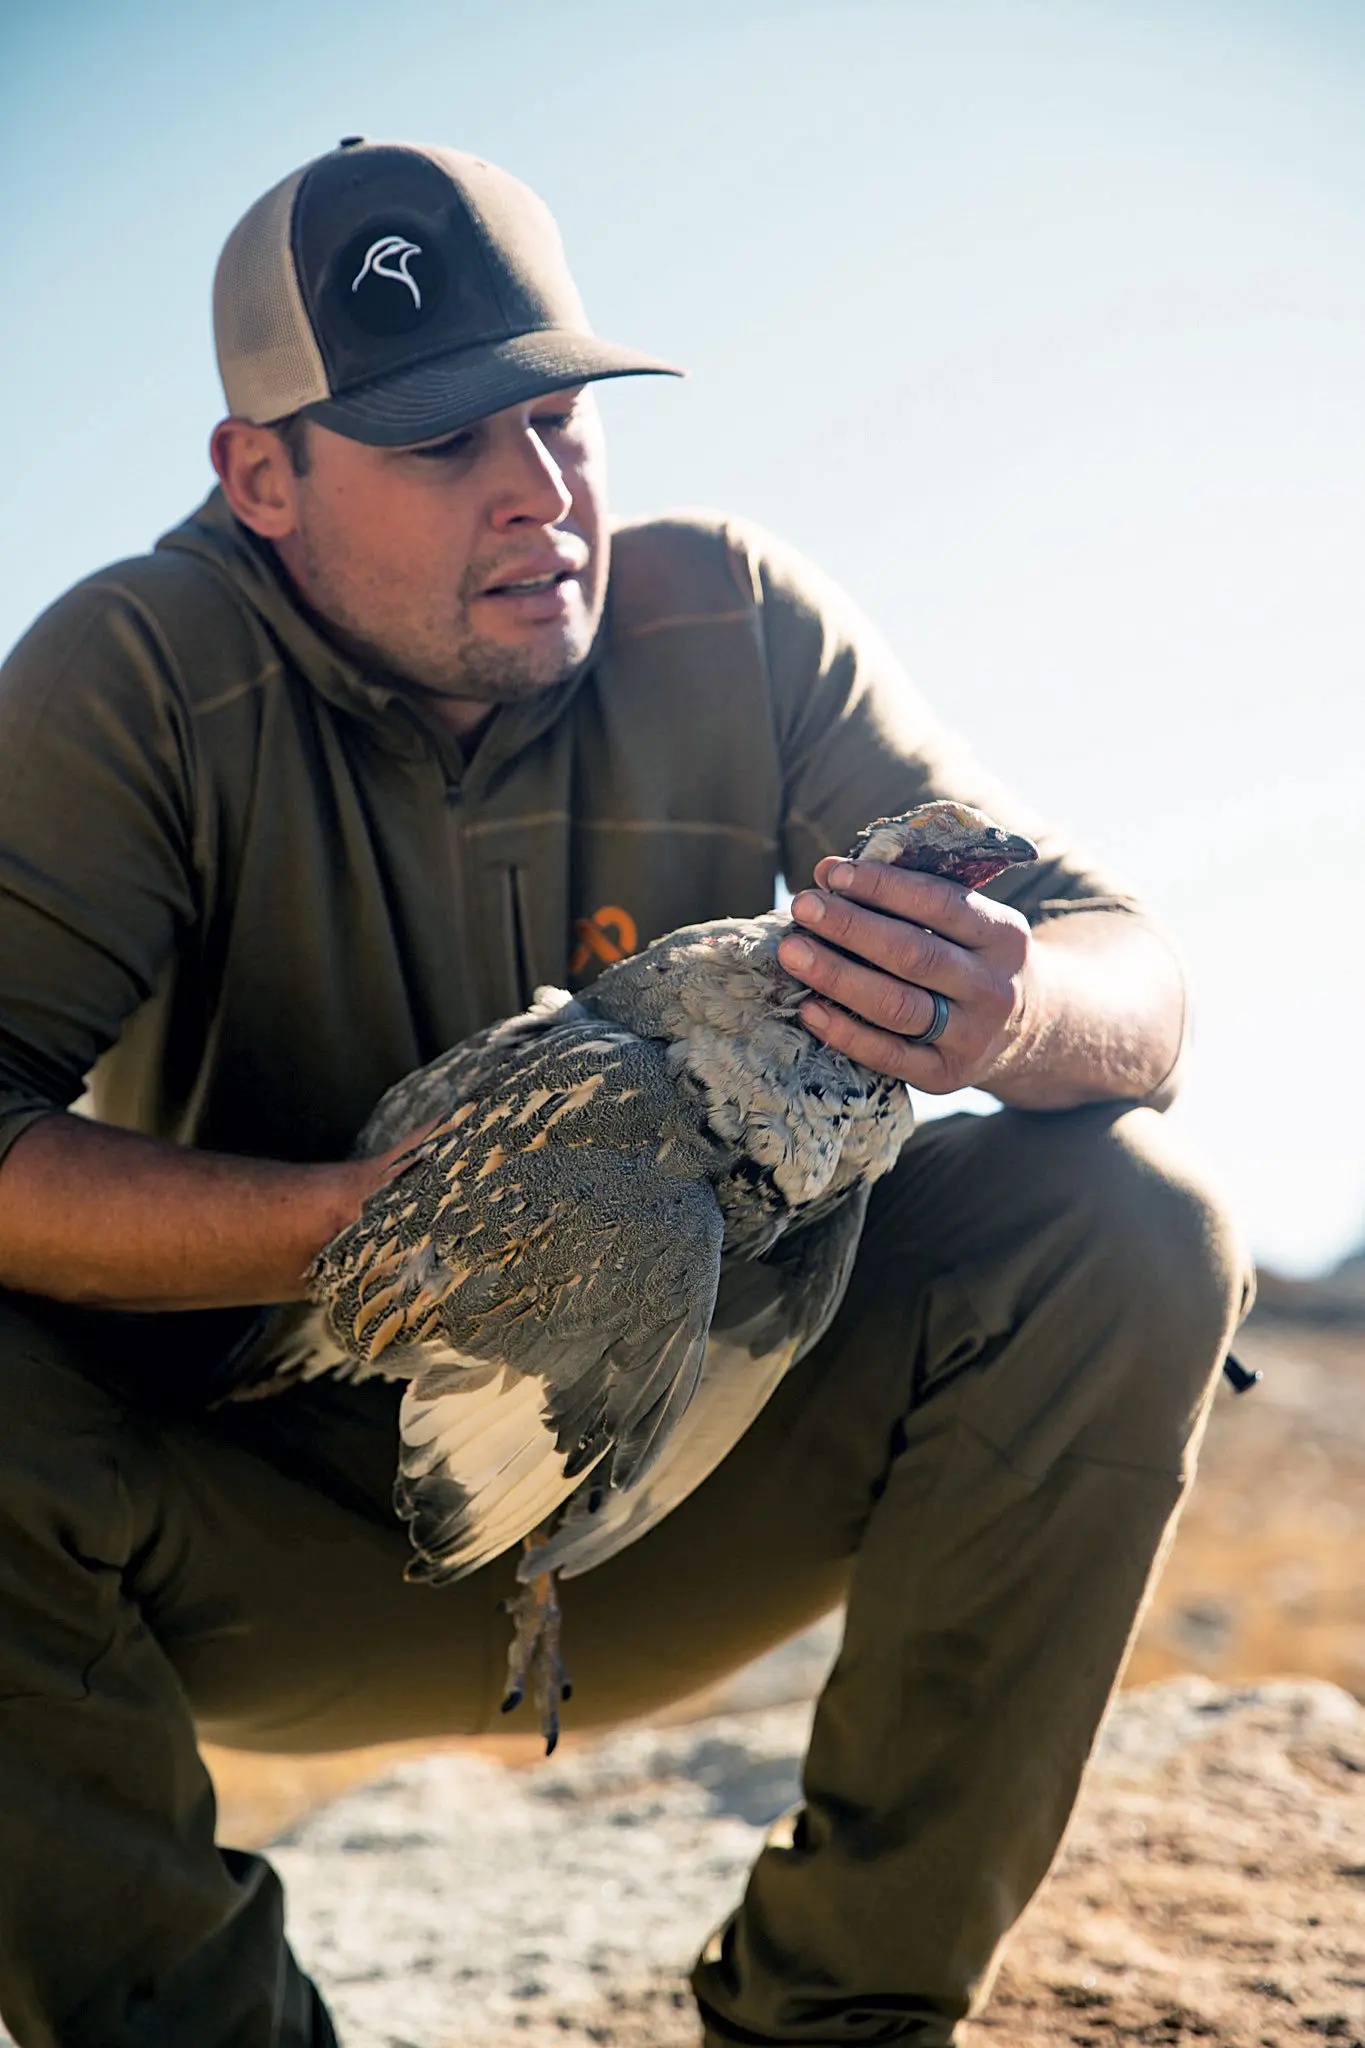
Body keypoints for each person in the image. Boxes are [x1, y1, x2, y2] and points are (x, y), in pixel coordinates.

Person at [0, 139, 1249, 2048]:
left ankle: (833, 2024)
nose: (539, 492)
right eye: (440, 446)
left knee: (1130, 1228)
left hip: (678, 1490)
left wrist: (1006, 1016)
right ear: (262, 475)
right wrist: (386, 1234)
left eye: (563, 421)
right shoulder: (140, 676)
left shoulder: (739, 617)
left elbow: (1131, 977)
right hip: (269, 1552)